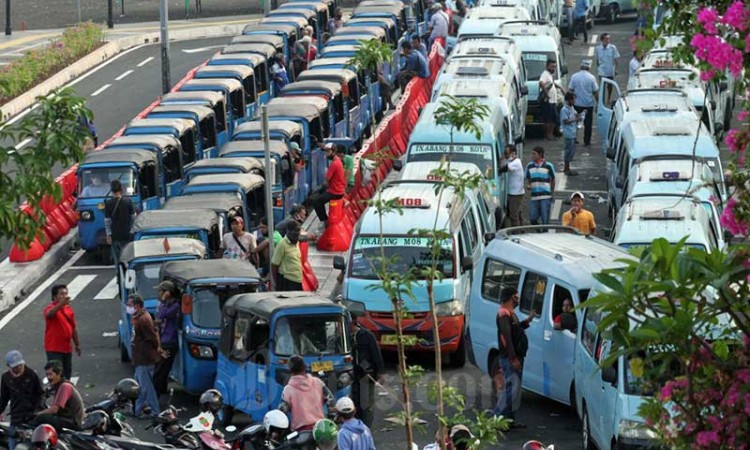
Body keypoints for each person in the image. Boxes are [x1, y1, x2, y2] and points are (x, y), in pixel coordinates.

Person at [492, 288, 533, 428]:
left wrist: (527, 322)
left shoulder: (510, 314)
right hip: (510, 359)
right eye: (516, 297)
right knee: (510, 390)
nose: (518, 299)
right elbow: (506, 338)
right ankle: (497, 418)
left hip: (515, 357)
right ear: (510, 298)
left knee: (513, 390)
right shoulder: (503, 314)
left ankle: (508, 420)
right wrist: (513, 358)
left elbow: (515, 330)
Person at [0, 350, 44, 450]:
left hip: (32, 416)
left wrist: (37, 410)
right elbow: (4, 398)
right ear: (9, 366)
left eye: (20, 365)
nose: (18, 368)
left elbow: (40, 394)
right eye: (15, 367)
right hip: (16, 417)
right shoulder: (6, 378)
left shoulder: (31, 374)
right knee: (13, 445)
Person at [280, 355, 332, 431]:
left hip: (300, 432)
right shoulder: (318, 382)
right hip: (321, 429)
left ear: (290, 370)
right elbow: (331, 400)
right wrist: (332, 419)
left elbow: (282, 412)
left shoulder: (288, 389)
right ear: (304, 367)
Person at [350, 315, 385, 428]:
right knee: (355, 402)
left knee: (366, 404)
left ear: (354, 322)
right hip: (352, 376)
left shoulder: (367, 335)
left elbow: (376, 354)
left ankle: (366, 428)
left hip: (367, 375)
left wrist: (380, 373)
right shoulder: (344, 338)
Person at [129, 294, 160, 418]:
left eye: (130, 305)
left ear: (137, 306)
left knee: (146, 388)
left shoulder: (143, 320)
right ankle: (137, 410)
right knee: (139, 386)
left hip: (144, 359)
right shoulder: (139, 318)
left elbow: (153, 338)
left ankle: (155, 411)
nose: (128, 307)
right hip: (140, 358)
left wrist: (156, 349)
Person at [31, 360, 84, 432]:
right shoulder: (58, 386)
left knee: (41, 418)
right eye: (47, 375)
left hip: (72, 422)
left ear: (58, 373)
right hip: (66, 419)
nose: (48, 377)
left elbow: (54, 410)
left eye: (50, 374)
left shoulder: (65, 386)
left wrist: (37, 414)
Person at [44, 284, 80, 381]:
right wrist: (61, 305)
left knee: (66, 375)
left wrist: (77, 344)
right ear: (54, 296)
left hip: (67, 348)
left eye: (66, 294)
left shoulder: (68, 309)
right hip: (54, 348)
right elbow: (50, 314)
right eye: (61, 294)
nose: (64, 296)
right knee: (56, 376)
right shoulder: (50, 308)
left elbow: (73, 328)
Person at [153, 280, 180, 399]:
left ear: (167, 293)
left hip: (169, 341)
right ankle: (161, 389)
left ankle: (156, 394)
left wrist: (163, 301)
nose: (159, 294)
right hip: (164, 338)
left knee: (160, 370)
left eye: (161, 292)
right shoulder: (165, 304)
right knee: (162, 368)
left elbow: (161, 316)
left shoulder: (175, 306)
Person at [313, 142, 346, 227]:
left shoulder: (334, 164)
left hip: (335, 192)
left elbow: (327, 179)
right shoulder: (337, 161)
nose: (326, 154)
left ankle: (325, 220)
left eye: (328, 152)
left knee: (317, 202)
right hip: (337, 190)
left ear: (333, 152)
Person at [567, 59, 598, 147]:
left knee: (574, 122)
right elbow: (595, 92)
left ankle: (573, 138)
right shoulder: (591, 78)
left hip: (576, 104)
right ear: (589, 68)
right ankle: (586, 141)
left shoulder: (574, 76)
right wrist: (599, 102)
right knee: (588, 124)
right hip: (588, 105)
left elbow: (571, 90)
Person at [104, 179, 136, 264]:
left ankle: (120, 274)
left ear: (111, 190)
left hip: (115, 235)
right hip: (126, 234)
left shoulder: (108, 203)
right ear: (121, 189)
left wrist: (108, 235)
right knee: (127, 257)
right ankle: (127, 274)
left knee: (117, 260)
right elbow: (133, 218)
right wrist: (133, 231)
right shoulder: (128, 201)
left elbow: (107, 221)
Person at [525, 147, 555, 226]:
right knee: (532, 218)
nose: (532, 155)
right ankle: (539, 231)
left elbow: (553, 180)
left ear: (540, 155)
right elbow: (528, 179)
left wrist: (551, 193)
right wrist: (528, 185)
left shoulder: (548, 166)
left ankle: (544, 233)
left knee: (545, 220)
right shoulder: (529, 166)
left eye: (534, 154)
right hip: (534, 196)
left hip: (545, 196)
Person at [272, 221, 304, 291]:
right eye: (295, 232)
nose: (297, 235)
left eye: (299, 232)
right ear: (288, 231)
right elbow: (274, 264)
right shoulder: (282, 244)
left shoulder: (297, 243)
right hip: (286, 281)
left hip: (297, 279)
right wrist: (276, 282)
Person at [498, 145, 524, 227]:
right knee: (517, 212)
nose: (505, 156)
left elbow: (503, 169)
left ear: (513, 154)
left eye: (507, 154)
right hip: (514, 192)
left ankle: (516, 231)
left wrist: (497, 170)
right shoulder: (512, 161)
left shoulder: (516, 163)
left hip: (516, 194)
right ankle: (521, 229)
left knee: (513, 215)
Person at [594, 33, 620, 104]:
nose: (608, 41)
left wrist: (616, 69)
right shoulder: (598, 49)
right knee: (602, 85)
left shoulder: (612, 48)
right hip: (602, 70)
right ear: (602, 40)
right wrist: (598, 68)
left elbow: (616, 59)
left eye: (608, 39)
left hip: (610, 70)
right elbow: (597, 59)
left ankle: (609, 97)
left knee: (609, 86)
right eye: (606, 39)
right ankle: (602, 100)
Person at [560, 92, 581, 176]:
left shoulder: (571, 108)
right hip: (568, 133)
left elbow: (575, 114)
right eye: (573, 99)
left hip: (572, 132)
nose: (575, 101)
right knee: (568, 151)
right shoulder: (564, 110)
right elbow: (565, 121)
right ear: (569, 100)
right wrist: (575, 119)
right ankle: (566, 168)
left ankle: (568, 167)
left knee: (572, 151)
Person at [539, 59, 560, 141]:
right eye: (552, 66)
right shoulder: (545, 74)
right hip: (548, 101)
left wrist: (561, 88)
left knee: (554, 118)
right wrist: (546, 94)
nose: (553, 68)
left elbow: (552, 83)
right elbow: (541, 83)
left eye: (554, 67)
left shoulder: (550, 75)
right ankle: (548, 134)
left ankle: (550, 134)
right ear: (547, 66)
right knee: (548, 119)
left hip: (553, 100)